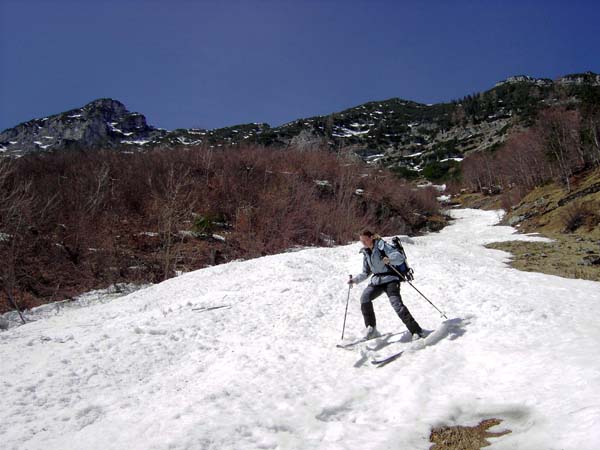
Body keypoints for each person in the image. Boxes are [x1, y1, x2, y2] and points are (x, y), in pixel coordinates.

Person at [348, 229, 424, 340]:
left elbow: (399, 257)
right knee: (365, 298)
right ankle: (371, 328)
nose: (363, 243)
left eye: (364, 240)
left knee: (396, 304)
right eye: (361, 241)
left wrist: (389, 259)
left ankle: (416, 331)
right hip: (377, 281)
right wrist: (355, 280)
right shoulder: (366, 252)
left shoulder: (382, 245)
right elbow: (366, 272)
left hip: (391, 279)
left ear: (371, 238)